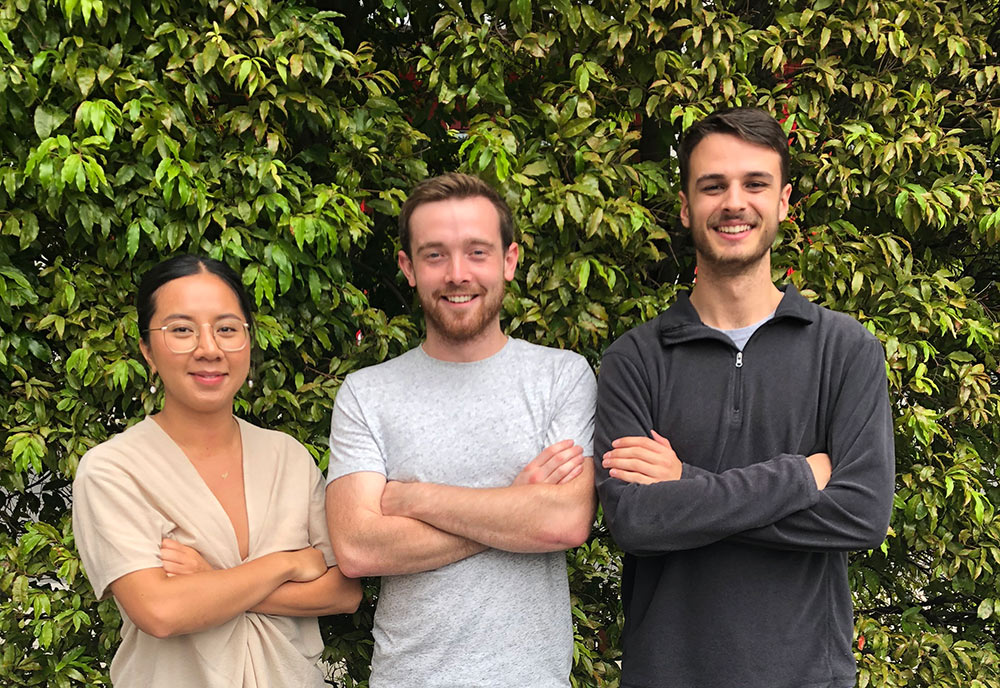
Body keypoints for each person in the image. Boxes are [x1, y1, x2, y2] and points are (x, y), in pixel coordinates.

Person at [595, 108, 895, 688]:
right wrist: (797, 479)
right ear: (686, 207)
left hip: (809, 675)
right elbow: (634, 522)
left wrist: (683, 481)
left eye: (754, 184)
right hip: (667, 674)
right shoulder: (635, 359)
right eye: (713, 186)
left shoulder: (845, 350)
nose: (734, 202)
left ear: (783, 202)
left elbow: (861, 515)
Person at [325, 173, 596, 688]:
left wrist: (414, 498)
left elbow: (563, 522)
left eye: (476, 251)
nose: (456, 273)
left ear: (508, 261)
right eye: (434, 255)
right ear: (408, 267)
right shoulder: (367, 393)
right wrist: (515, 506)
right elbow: (358, 548)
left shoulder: (562, 377)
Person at [72, 255, 361, 687]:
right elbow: (161, 612)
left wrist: (210, 584)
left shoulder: (288, 457)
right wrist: (285, 564)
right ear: (147, 351)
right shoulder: (114, 471)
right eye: (182, 330)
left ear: (247, 341)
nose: (209, 349)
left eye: (227, 329)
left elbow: (344, 592)